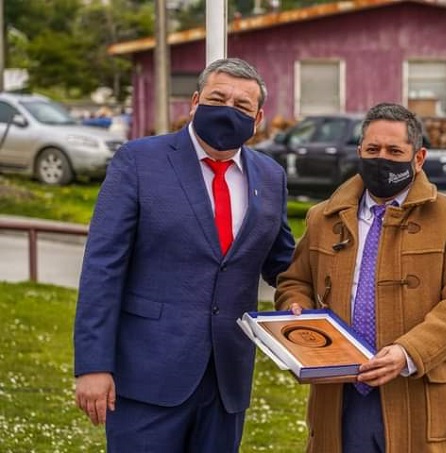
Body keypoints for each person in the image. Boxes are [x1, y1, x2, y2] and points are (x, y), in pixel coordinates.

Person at [73, 58, 295, 452]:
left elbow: (283, 263)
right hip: (147, 377)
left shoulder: (271, 176)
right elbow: (103, 268)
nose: (229, 109)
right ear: (194, 102)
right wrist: (93, 365)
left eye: (242, 106)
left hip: (227, 381)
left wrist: (302, 296)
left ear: (258, 118)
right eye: (218, 97)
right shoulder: (138, 161)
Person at [275, 102, 446, 452]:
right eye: (372, 149)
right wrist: (296, 306)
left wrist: (407, 352)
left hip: (417, 388)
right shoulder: (322, 218)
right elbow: (295, 281)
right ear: (359, 151)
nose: (381, 158)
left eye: (394, 151)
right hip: (340, 392)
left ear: (418, 158)